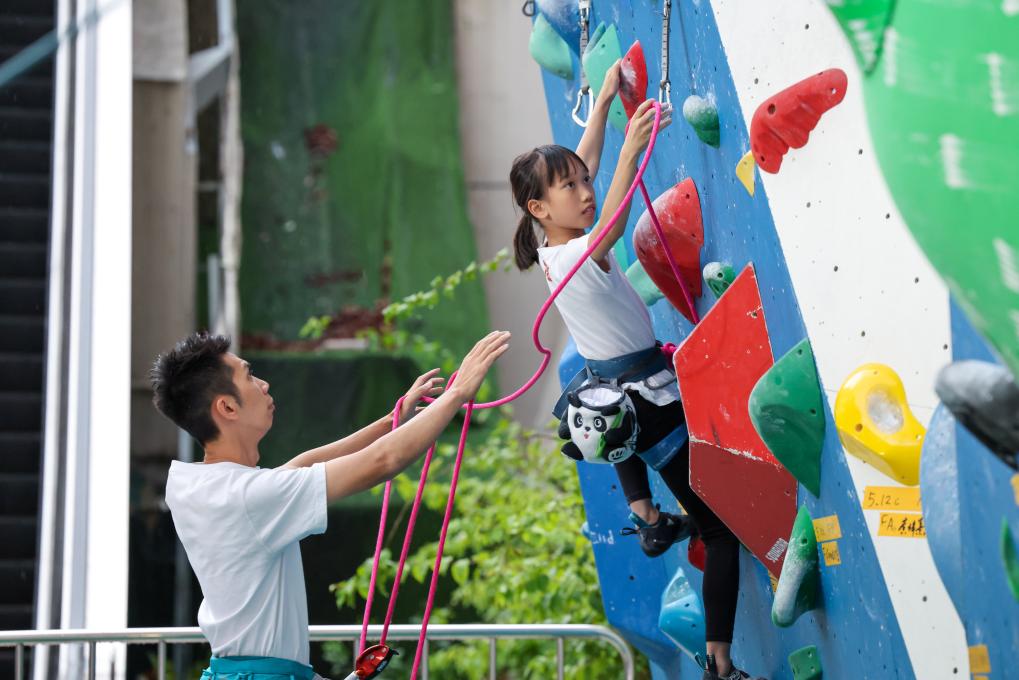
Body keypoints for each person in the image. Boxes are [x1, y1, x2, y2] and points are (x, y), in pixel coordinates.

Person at [508, 61, 761, 680]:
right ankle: (720, 662)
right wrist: (632, 148)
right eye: (569, 188)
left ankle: (647, 516)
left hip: (615, 391)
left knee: (603, 392)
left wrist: (600, 106)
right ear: (539, 207)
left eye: (582, 181)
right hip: (647, 405)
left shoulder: (547, 243)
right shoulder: (575, 253)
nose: (584, 191)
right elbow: (611, 221)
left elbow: (586, 168)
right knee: (720, 531)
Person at [151, 330, 511, 680]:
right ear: (227, 407)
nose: (264, 384)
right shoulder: (250, 497)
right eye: (249, 376)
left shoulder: (199, 485)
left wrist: (392, 421)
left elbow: (300, 466)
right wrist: (458, 393)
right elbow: (383, 461)